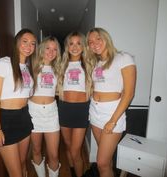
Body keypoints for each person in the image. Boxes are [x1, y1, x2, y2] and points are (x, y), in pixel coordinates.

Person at [87, 27, 136, 177]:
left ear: (106, 38)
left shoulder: (123, 58)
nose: (94, 44)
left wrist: (113, 120)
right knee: (106, 162)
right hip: (95, 111)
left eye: (98, 39)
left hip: (112, 113)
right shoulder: (96, 63)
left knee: (101, 162)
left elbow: (128, 94)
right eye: (90, 42)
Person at [0, 28, 37, 177]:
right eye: (25, 41)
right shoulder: (3, 63)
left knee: (23, 164)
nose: (28, 46)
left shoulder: (28, 68)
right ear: (17, 42)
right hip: (6, 121)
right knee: (15, 173)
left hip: (23, 117)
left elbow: (26, 95)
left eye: (32, 44)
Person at [57, 31, 93, 177]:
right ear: (67, 46)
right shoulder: (61, 65)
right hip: (64, 108)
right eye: (71, 43)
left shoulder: (89, 65)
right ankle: (72, 171)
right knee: (67, 146)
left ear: (84, 46)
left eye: (79, 43)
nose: (75, 46)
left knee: (75, 150)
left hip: (81, 110)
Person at [28, 36, 61, 177]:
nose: (51, 52)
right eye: (48, 47)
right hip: (33, 112)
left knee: (53, 154)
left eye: (55, 49)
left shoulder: (59, 69)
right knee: (36, 150)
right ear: (42, 48)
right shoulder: (31, 67)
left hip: (51, 113)